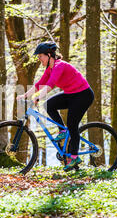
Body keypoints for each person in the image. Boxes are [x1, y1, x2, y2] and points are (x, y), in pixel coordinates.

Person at [16, 41, 94, 170]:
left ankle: (74, 157)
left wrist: (38, 97)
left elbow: (50, 85)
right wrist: (24, 95)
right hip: (71, 94)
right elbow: (40, 84)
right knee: (49, 105)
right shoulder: (49, 69)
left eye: (40, 56)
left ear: (49, 54)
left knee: (72, 124)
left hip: (83, 95)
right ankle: (62, 130)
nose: (39, 58)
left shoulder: (59, 66)